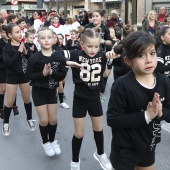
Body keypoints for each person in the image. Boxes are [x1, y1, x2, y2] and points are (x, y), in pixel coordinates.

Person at [52, 28, 119, 170]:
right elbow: (55, 54)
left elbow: (106, 74)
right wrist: (68, 62)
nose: (93, 49)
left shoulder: (102, 55)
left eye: (96, 46)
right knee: (79, 133)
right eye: (89, 46)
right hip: (80, 99)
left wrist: (110, 60)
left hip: (95, 98)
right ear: (82, 44)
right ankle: (75, 161)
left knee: (98, 129)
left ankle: (100, 153)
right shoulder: (75, 53)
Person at [107, 31, 170, 170]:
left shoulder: (164, 82)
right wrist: (146, 115)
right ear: (128, 61)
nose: (148, 60)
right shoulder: (121, 85)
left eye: (152, 53)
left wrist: (160, 113)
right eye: (141, 55)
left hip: (149, 145)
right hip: (124, 149)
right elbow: (113, 119)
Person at [26, 27, 82, 156]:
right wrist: (43, 73)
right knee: (44, 120)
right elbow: (28, 76)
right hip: (38, 92)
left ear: (54, 39)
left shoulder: (59, 56)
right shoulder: (34, 58)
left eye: (49, 37)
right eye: (43, 38)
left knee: (53, 120)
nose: (46, 40)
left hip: (51, 92)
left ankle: (52, 140)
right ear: (38, 40)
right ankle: (45, 142)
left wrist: (51, 72)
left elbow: (61, 76)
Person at [2, 23, 36, 136]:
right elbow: (7, 63)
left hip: (24, 76)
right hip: (11, 76)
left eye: (20, 31)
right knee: (10, 101)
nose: (20, 34)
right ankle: (6, 123)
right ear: (10, 35)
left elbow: (32, 61)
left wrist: (26, 54)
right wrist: (19, 52)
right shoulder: (7, 47)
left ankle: (30, 119)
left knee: (27, 99)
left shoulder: (24, 45)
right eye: (17, 32)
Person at [156, 26, 170, 133]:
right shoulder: (161, 50)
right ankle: (167, 122)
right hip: (165, 82)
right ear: (162, 37)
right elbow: (158, 68)